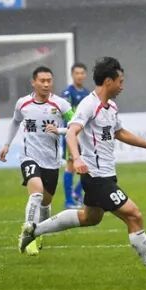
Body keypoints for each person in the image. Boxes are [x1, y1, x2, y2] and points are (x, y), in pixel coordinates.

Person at [19, 57, 146, 282]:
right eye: (120, 81)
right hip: (96, 177)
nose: (122, 86)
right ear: (108, 81)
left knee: (90, 217)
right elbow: (71, 132)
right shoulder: (89, 104)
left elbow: (119, 132)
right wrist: (77, 159)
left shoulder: (111, 107)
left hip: (107, 174)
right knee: (134, 215)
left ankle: (33, 231)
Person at [0, 66, 73, 255]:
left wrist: (60, 130)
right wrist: (6, 144)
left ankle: (39, 233)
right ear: (34, 82)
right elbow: (15, 122)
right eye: (42, 81)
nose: (46, 84)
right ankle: (27, 233)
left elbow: (76, 126)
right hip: (29, 157)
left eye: (49, 80)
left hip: (51, 161)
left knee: (46, 204)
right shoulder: (23, 103)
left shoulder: (61, 105)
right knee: (36, 193)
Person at [61, 63, 92, 208]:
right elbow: (65, 115)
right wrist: (74, 134)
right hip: (72, 135)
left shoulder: (87, 94)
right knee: (71, 166)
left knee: (90, 165)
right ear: (72, 75)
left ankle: (77, 192)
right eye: (77, 73)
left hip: (85, 136)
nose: (80, 76)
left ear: (85, 75)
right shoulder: (68, 93)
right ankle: (68, 201)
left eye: (82, 73)